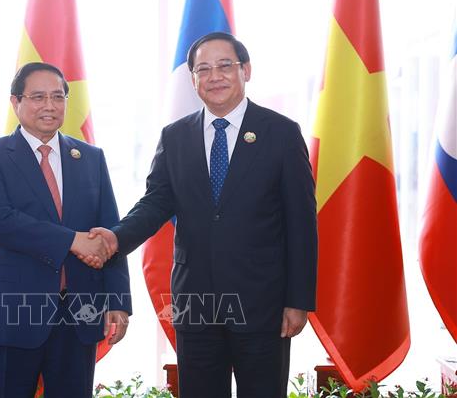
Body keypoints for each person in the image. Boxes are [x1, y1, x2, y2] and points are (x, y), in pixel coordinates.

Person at [90, 32, 317, 398]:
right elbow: (155, 203)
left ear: (245, 70)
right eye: (203, 69)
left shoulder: (281, 133)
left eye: (225, 66)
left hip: (263, 303)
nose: (215, 76)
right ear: (193, 79)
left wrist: (299, 300)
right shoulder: (175, 137)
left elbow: (302, 224)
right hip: (196, 304)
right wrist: (116, 237)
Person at [0, 62, 132, 398]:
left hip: (79, 313)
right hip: (12, 312)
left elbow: (108, 232)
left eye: (58, 97)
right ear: (16, 102)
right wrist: (72, 240)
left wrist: (118, 300)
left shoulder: (89, 158)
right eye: (38, 97)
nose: (49, 105)